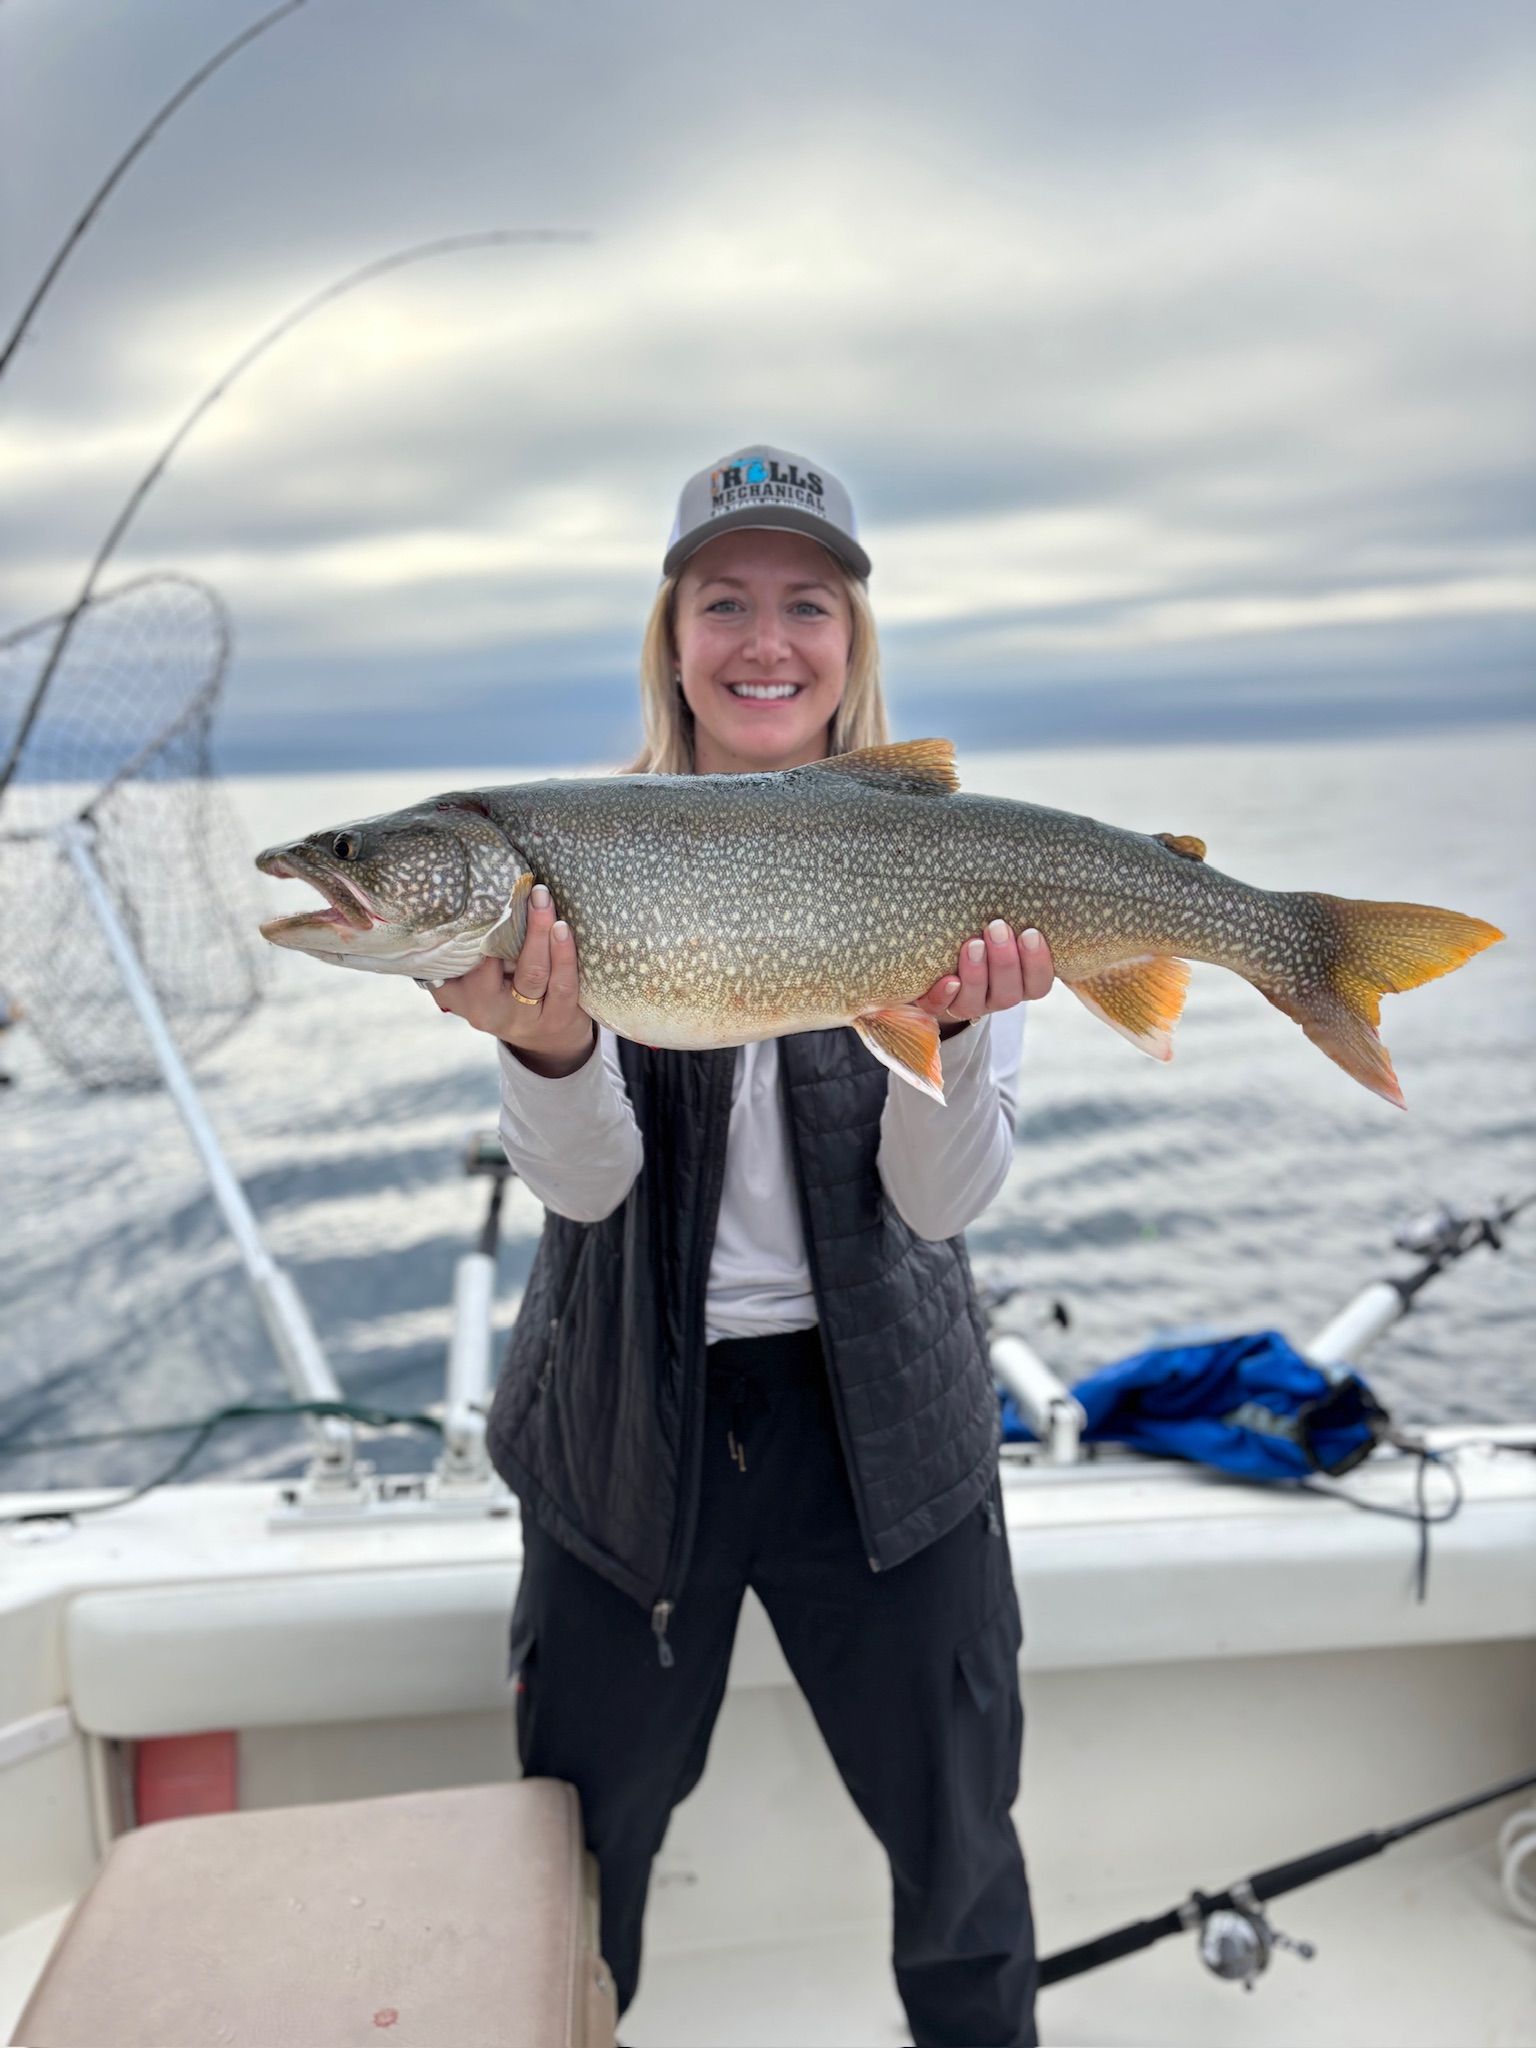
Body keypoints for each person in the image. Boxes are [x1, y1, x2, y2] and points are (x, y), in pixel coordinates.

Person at [432, 445, 1054, 2048]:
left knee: (964, 1863)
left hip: (888, 1439)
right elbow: (583, 1199)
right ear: (674, 632)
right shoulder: (574, 860)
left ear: (851, 642)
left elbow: (939, 1209)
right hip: (629, 1434)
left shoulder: (943, 850)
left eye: (804, 604)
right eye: (725, 602)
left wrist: (965, 1034)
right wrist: (551, 1049)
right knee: (579, 1861)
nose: (763, 641)